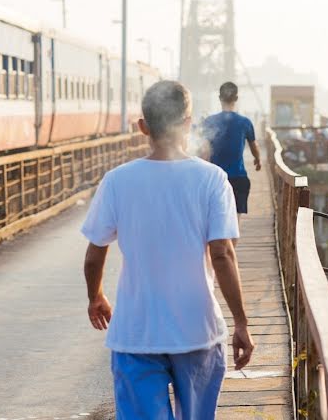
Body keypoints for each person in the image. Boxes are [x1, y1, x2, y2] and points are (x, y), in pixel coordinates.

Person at [82, 80, 254, 419]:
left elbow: (94, 254)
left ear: (143, 126)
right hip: (198, 330)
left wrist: (96, 296)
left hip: (135, 333)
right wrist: (242, 322)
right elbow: (222, 254)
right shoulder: (213, 179)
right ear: (188, 123)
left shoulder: (117, 180)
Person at [200, 81, 261, 215]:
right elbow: (254, 145)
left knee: (214, 218)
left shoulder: (209, 121)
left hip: (215, 178)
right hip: (238, 178)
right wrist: (258, 160)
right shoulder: (245, 122)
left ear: (220, 98)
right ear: (237, 98)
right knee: (234, 223)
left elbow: (204, 150)